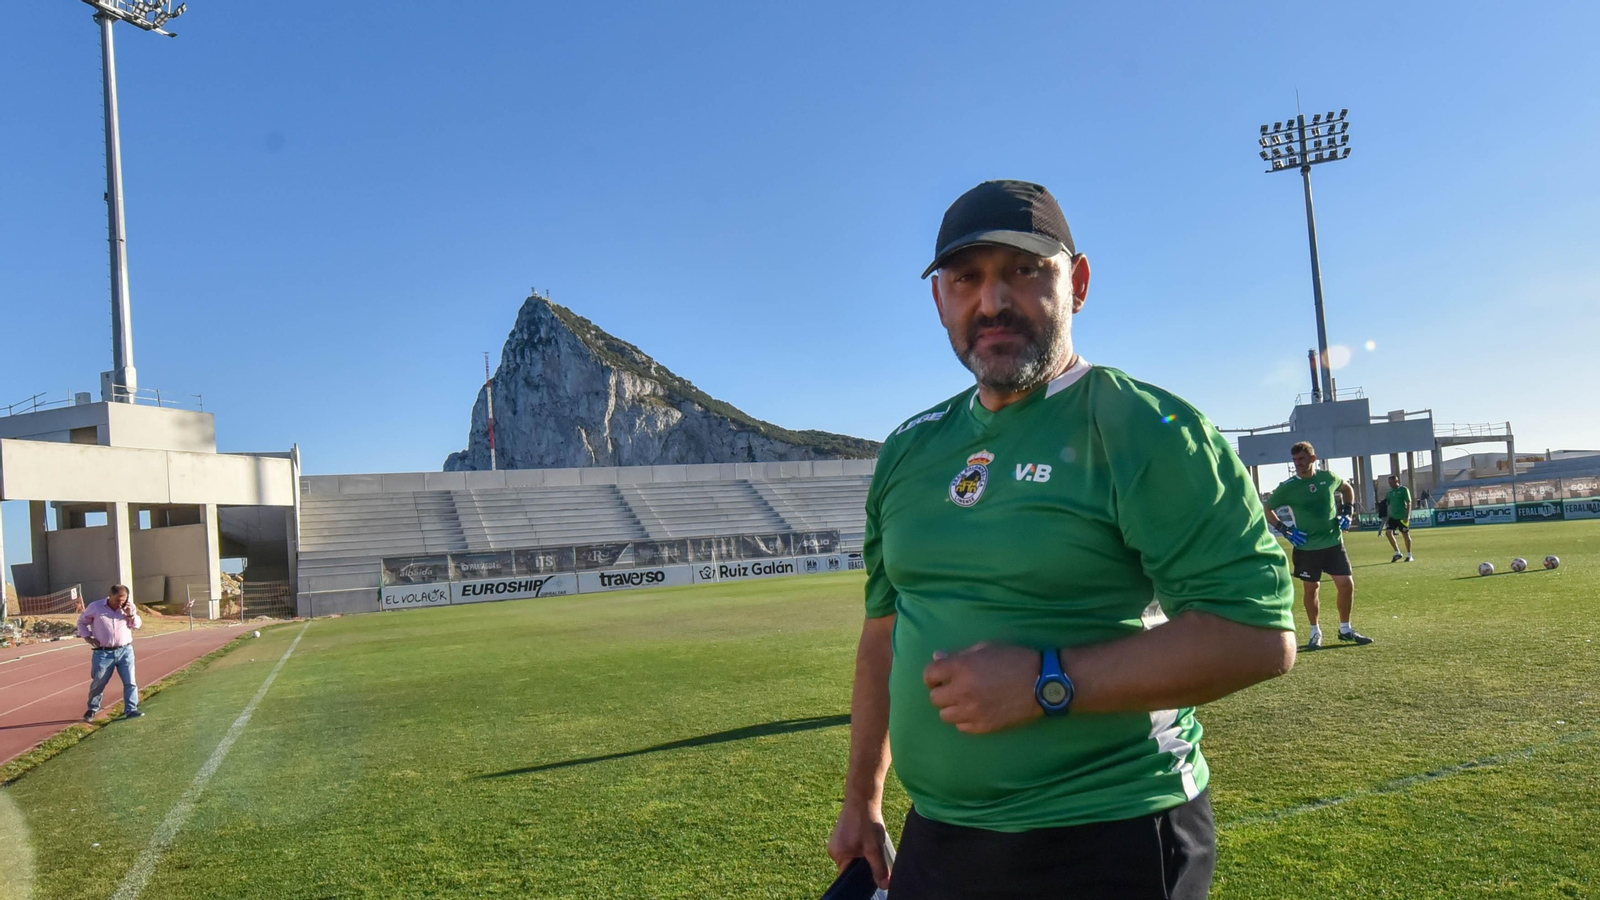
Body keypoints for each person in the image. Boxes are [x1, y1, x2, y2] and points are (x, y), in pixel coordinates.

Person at [826, 180, 1297, 900]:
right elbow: (883, 636)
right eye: (967, 279)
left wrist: (1048, 682)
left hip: (1108, 834)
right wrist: (863, 799)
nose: (992, 301)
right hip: (941, 837)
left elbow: (1257, 636)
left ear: (1075, 282)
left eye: (1023, 270)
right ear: (940, 301)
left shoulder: (1144, 427)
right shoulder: (909, 450)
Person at [1263, 443, 1373, 649]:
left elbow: (1347, 488)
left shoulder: (1328, 478)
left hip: (1333, 543)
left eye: (1301, 459)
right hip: (1306, 547)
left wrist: (1348, 511)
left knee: (1346, 585)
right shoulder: (1288, 487)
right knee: (1312, 588)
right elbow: (1267, 508)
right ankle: (1315, 632)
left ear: (1313, 459)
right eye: (1295, 460)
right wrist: (1285, 530)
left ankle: (1345, 629)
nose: (1298, 464)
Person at [76, 584, 143, 722]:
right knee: (99, 681)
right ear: (110, 595)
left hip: (125, 651)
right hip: (103, 653)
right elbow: (82, 622)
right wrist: (88, 637)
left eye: (123, 599)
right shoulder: (95, 607)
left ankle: (131, 709)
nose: (120, 603)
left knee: (130, 682)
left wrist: (130, 614)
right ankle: (92, 708)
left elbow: (136, 625)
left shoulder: (129, 607)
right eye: (117, 599)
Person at [1383, 475, 1415, 562]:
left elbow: (1409, 502)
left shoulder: (1404, 490)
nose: (1390, 484)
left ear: (1397, 481)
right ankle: (1398, 553)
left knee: (1405, 535)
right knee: (1388, 533)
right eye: (1389, 483)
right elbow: (1387, 504)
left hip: (1402, 517)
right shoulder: (1389, 492)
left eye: (1392, 482)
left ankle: (1409, 555)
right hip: (1393, 517)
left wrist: (1407, 516)